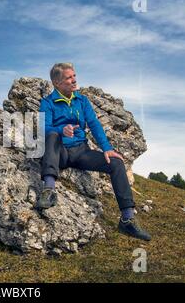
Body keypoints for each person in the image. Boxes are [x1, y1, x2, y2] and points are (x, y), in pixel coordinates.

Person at [37, 62, 151, 241]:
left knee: (116, 163)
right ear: (57, 83)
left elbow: (94, 124)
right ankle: (48, 191)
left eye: (74, 76)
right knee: (51, 134)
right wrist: (61, 131)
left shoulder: (82, 101)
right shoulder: (47, 103)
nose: (74, 80)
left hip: (82, 152)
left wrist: (107, 148)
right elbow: (42, 127)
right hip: (60, 152)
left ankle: (127, 219)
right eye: (69, 77)